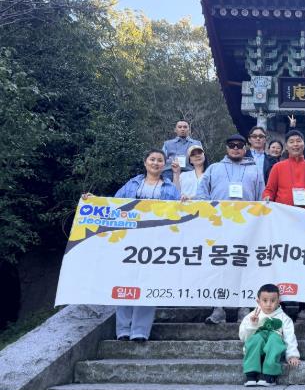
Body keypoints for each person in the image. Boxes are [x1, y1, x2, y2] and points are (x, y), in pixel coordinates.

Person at [83, 149, 179, 342]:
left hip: (156, 244)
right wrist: (94, 201)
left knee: (148, 285)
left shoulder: (170, 188)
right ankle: (123, 329)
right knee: (125, 283)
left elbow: (179, 211)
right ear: (145, 162)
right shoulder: (132, 184)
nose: (156, 163)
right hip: (129, 241)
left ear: (164, 165)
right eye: (152, 159)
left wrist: (183, 201)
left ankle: (140, 331)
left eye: (160, 160)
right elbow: (114, 204)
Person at [263, 129, 305, 323]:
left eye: (298, 141)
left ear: (303, 144)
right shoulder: (278, 167)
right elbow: (269, 190)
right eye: (292, 141)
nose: (295, 144)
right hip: (283, 221)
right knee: (283, 263)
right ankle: (281, 307)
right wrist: (266, 198)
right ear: (286, 146)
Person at [196, 134, 265, 324]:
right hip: (219, 226)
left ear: (245, 148)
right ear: (226, 148)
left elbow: (261, 198)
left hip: (247, 227)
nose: (236, 148)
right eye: (232, 145)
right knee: (219, 266)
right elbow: (201, 194)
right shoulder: (214, 168)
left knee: (245, 266)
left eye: (239, 145)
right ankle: (218, 308)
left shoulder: (255, 170)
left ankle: (244, 307)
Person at [239, 283, 300, 387]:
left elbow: (290, 337)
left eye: (272, 301)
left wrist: (292, 355)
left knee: (274, 338)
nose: (268, 304)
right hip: (257, 349)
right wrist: (252, 325)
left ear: (278, 301)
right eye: (265, 300)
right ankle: (251, 375)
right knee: (256, 338)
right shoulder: (252, 316)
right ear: (258, 301)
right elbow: (243, 337)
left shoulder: (284, 318)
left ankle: (269, 376)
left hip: (274, 349)